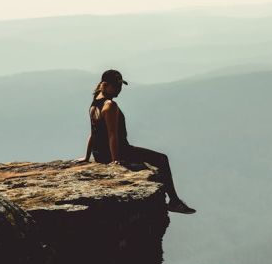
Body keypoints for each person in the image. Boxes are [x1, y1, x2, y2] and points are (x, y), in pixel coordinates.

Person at [78, 69, 196, 214]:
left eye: (120, 85)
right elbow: (112, 135)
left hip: (100, 155)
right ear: (105, 85)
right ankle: (174, 202)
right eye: (116, 86)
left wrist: (87, 156)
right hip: (119, 151)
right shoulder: (110, 105)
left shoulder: (95, 103)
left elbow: (93, 133)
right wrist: (115, 160)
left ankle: (174, 201)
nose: (119, 89)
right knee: (161, 159)